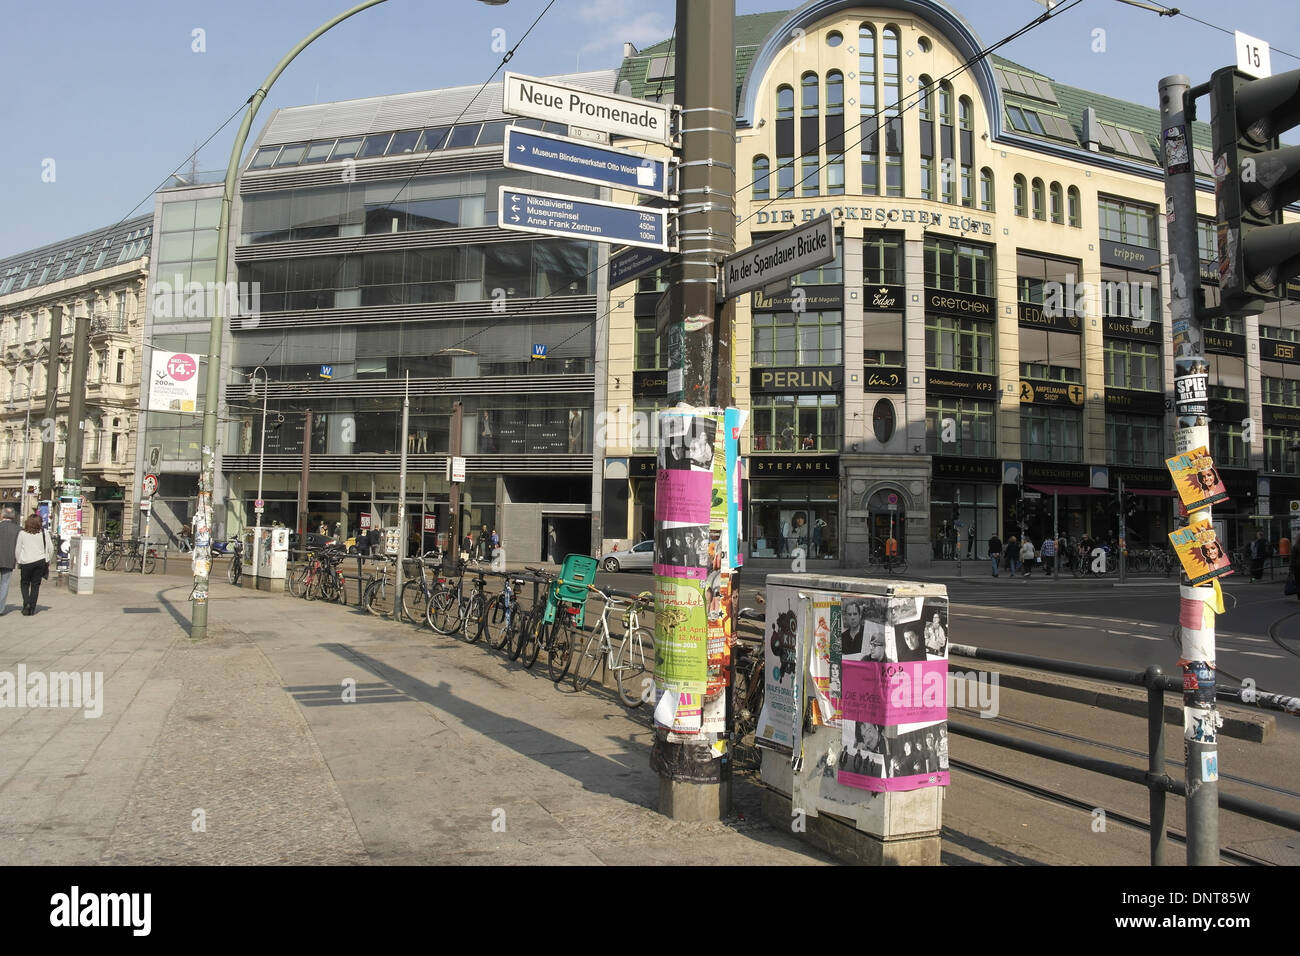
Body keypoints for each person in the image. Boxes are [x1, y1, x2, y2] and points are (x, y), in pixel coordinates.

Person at [16, 513, 55, 616]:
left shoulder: (22, 533)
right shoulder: (44, 532)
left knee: (24, 583)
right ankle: (32, 608)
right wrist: (48, 559)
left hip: (26, 561)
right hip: (40, 561)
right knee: (35, 585)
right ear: (40, 523)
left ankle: (26, 603)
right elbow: (51, 548)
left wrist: (18, 561)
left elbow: (18, 549)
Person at [0, 507, 18, 615]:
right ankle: (1, 608)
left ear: (2, 515)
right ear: (14, 516)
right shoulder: (18, 529)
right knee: (5, 583)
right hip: (9, 559)